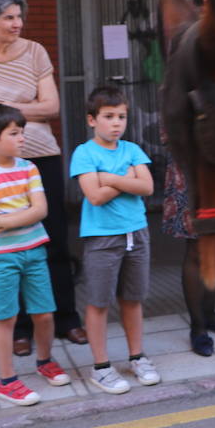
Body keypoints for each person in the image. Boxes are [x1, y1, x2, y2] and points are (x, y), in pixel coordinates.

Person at [0, 0, 86, 353]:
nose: (18, 24)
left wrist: (4, 108)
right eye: (9, 17)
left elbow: (53, 106)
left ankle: (66, 318)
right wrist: (27, 106)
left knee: (54, 238)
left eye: (19, 16)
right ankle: (20, 328)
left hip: (42, 156)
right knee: (8, 245)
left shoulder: (34, 51)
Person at [0, 105, 71, 406]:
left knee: (44, 314)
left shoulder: (29, 168)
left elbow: (42, 210)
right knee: (6, 319)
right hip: (0, 258)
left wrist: (10, 219)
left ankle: (45, 361)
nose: (22, 138)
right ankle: (7, 380)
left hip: (34, 251)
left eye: (22, 132)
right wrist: (26, 215)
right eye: (14, 133)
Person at [161, 0, 215, 356]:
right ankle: (197, 328)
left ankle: (211, 315)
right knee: (196, 248)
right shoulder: (187, 36)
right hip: (192, 155)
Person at [69, 85, 160, 394]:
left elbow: (147, 187)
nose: (116, 123)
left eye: (121, 116)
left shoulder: (132, 149)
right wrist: (127, 180)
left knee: (133, 298)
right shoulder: (84, 152)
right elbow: (94, 196)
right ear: (92, 120)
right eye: (108, 116)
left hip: (137, 232)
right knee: (98, 301)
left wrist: (109, 178)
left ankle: (137, 356)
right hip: (101, 238)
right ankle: (102, 367)